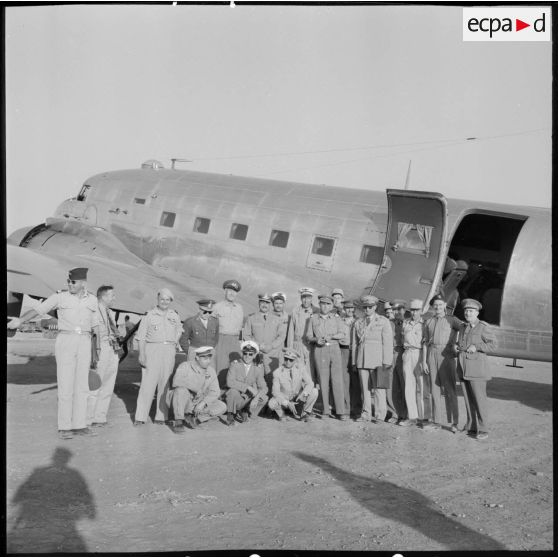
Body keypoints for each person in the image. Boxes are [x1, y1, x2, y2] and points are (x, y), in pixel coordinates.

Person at [8, 267, 99, 439]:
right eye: (68, 281)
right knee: (65, 384)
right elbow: (39, 310)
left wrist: (96, 352)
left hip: (85, 341)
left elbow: (95, 328)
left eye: (73, 282)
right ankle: (64, 427)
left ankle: (80, 425)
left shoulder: (92, 300)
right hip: (66, 340)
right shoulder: (60, 297)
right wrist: (20, 320)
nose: (69, 284)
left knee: (82, 385)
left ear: (82, 283)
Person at [134, 288, 182, 426]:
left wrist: (175, 340)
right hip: (152, 349)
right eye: (162, 299)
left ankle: (161, 416)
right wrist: (142, 355)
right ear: (157, 299)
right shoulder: (149, 315)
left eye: (167, 300)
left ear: (171, 301)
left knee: (165, 383)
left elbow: (179, 329)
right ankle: (140, 417)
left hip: (169, 350)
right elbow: (141, 338)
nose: (164, 302)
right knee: (147, 384)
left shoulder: (174, 315)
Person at [456, 299, 497, 440]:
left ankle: (483, 429)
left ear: (477, 313)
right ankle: (472, 426)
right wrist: (456, 346)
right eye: (466, 311)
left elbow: (493, 345)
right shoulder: (463, 327)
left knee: (479, 400)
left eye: (471, 311)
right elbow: (462, 343)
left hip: (478, 370)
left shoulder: (483, 327)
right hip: (463, 369)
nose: (468, 313)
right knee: (468, 400)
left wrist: (478, 347)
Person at [422, 294, 462, 432]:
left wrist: (458, 345)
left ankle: (454, 422)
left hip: (446, 355)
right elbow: (425, 343)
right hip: (432, 354)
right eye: (436, 305)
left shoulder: (452, 320)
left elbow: (464, 330)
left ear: (445, 305)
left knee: (450, 390)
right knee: (434, 390)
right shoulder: (428, 321)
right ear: (433, 306)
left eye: (440, 304)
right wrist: (424, 361)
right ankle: (437, 421)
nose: (438, 307)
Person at [352, 295, 393, 422]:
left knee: (379, 389)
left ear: (375, 307)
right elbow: (355, 344)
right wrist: (354, 361)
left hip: (377, 361)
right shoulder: (358, 322)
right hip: (362, 359)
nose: (367, 309)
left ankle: (380, 415)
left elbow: (387, 343)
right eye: (365, 307)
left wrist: (387, 361)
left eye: (370, 307)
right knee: (365, 389)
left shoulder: (383, 321)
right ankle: (366, 414)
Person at [307, 295, 347, 420]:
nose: (325, 307)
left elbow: (342, 334)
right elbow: (308, 336)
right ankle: (325, 410)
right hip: (320, 350)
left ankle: (340, 411)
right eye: (323, 304)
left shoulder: (336, 318)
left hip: (334, 348)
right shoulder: (313, 318)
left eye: (328, 304)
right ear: (319, 304)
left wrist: (332, 336)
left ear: (331, 306)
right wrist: (316, 340)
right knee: (323, 380)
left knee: (337, 380)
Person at [170, 346, 227, 433]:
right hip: (182, 401)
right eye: (205, 358)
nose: (208, 361)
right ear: (197, 357)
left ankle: (194, 418)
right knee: (181, 390)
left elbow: (215, 392)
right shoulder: (185, 366)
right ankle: (178, 421)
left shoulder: (211, 371)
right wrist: (196, 388)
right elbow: (176, 381)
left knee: (222, 406)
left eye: (209, 358)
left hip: (197, 402)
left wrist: (203, 403)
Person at [87, 285, 120, 427]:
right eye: (112, 296)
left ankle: (100, 417)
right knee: (95, 384)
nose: (114, 298)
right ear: (104, 296)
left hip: (112, 349)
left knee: (108, 383)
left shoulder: (110, 313)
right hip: (100, 350)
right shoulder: (93, 311)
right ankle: (88, 417)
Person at [224, 340, 268, 426]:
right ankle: (230, 415)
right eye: (245, 353)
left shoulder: (257, 369)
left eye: (250, 354)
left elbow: (264, 387)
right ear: (242, 353)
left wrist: (256, 397)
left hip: (247, 397)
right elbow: (229, 382)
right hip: (236, 396)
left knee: (264, 398)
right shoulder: (235, 364)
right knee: (232, 391)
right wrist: (248, 387)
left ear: (255, 355)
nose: (247, 356)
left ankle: (247, 411)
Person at [268, 348, 319, 422]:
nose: (288, 362)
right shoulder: (277, 372)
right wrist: (287, 403)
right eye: (286, 359)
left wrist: (304, 394)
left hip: (297, 399)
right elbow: (275, 392)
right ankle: (282, 414)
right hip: (284, 400)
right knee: (271, 403)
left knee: (314, 391)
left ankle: (304, 414)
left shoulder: (300, 368)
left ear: (295, 361)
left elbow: (310, 383)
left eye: (291, 360)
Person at [243, 293, 284, 377]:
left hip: (272, 354)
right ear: (259, 303)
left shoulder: (277, 319)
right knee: (255, 377)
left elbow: (281, 336)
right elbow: (246, 335)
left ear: (270, 305)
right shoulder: (251, 318)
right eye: (262, 302)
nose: (264, 305)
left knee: (271, 379)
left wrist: (271, 346)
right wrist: (257, 345)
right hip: (256, 353)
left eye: (267, 302)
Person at [213, 280, 244, 388]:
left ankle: (229, 395)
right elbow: (212, 326)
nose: (232, 294)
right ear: (225, 291)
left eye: (234, 292)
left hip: (234, 341)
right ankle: (217, 395)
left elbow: (240, 328)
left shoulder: (239, 308)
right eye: (230, 290)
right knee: (220, 368)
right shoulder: (217, 307)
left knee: (235, 367)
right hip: (221, 339)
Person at [401, 299, 426, 427]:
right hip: (407, 353)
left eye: (417, 310)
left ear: (422, 311)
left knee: (421, 386)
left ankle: (423, 417)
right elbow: (402, 338)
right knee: (408, 386)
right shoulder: (405, 323)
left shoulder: (425, 324)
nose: (414, 312)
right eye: (412, 310)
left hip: (419, 354)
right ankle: (412, 416)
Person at [286, 287, 318, 382]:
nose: (306, 300)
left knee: (310, 372)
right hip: (297, 346)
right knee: (297, 372)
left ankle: (311, 394)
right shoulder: (295, 311)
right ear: (300, 298)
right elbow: (291, 332)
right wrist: (290, 349)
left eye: (308, 297)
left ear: (312, 298)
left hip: (311, 346)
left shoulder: (317, 311)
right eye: (303, 297)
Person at [178, 299, 219, 365]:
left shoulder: (215, 322)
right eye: (205, 312)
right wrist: (191, 352)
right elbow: (183, 340)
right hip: (195, 355)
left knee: (209, 374)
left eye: (210, 312)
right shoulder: (190, 322)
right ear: (199, 310)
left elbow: (216, 339)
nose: (207, 314)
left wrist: (211, 350)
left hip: (210, 355)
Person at [384, 301, 406, 424]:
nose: (397, 312)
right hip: (390, 354)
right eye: (394, 309)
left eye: (399, 309)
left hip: (403, 354)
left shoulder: (408, 323)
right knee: (391, 385)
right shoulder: (388, 324)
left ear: (404, 310)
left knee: (404, 385)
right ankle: (393, 413)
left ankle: (405, 413)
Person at [339, 300, 356, 417]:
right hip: (343, 350)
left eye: (352, 308)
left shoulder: (359, 321)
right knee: (344, 380)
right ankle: (345, 408)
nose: (350, 310)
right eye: (347, 308)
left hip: (355, 351)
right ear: (344, 309)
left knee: (356, 381)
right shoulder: (339, 321)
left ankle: (356, 409)